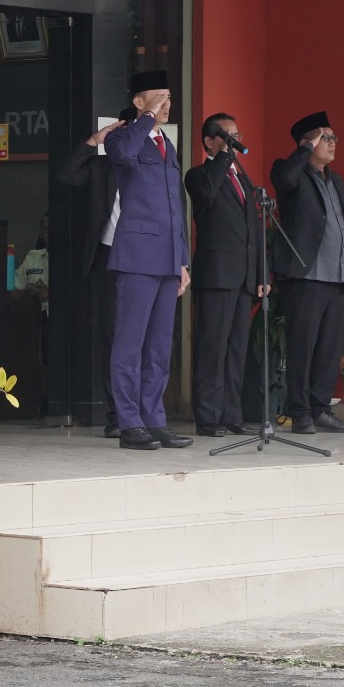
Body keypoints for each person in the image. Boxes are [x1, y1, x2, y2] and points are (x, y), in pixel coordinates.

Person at [104, 71, 193, 451]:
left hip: (167, 258)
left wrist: (184, 260)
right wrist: (144, 120)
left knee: (159, 346)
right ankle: (129, 422)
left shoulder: (165, 145)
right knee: (130, 343)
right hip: (138, 256)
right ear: (140, 103)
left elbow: (177, 207)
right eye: (159, 97)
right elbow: (121, 155)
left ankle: (154, 419)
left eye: (169, 98)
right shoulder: (125, 137)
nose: (167, 104)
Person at [271, 111, 344, 434]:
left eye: (334, 138)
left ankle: (321, 408)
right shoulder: (289, 170)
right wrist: (305, 149)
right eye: (327, 138)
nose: (333, 143)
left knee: (329, 348)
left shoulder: (336, 180)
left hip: (335, 278)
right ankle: (300, 412)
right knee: (302, 345)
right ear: (308, 142)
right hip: (304, 275)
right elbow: (282, 182)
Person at [185, 113, 267, 437]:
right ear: (209, 140)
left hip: (244, 276)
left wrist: (262, 273)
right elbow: (205, 196)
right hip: (216, 275)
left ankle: (232, 415)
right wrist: (222, 156)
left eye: (237, 134)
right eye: (226, 135)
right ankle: (207, 417)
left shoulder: (242, 178)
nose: (234, 141)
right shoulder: (199, 174)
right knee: (211, 347)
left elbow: (254, 228)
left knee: (236, 350)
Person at [57, 111, 131, 437]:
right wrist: (94, 141)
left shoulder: (155, 169)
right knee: (114, 338)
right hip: (110, 259)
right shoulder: (103, 168)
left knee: (145, 341)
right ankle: (118, 416)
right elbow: (67, 173)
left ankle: (145, 413)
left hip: (147, 262)